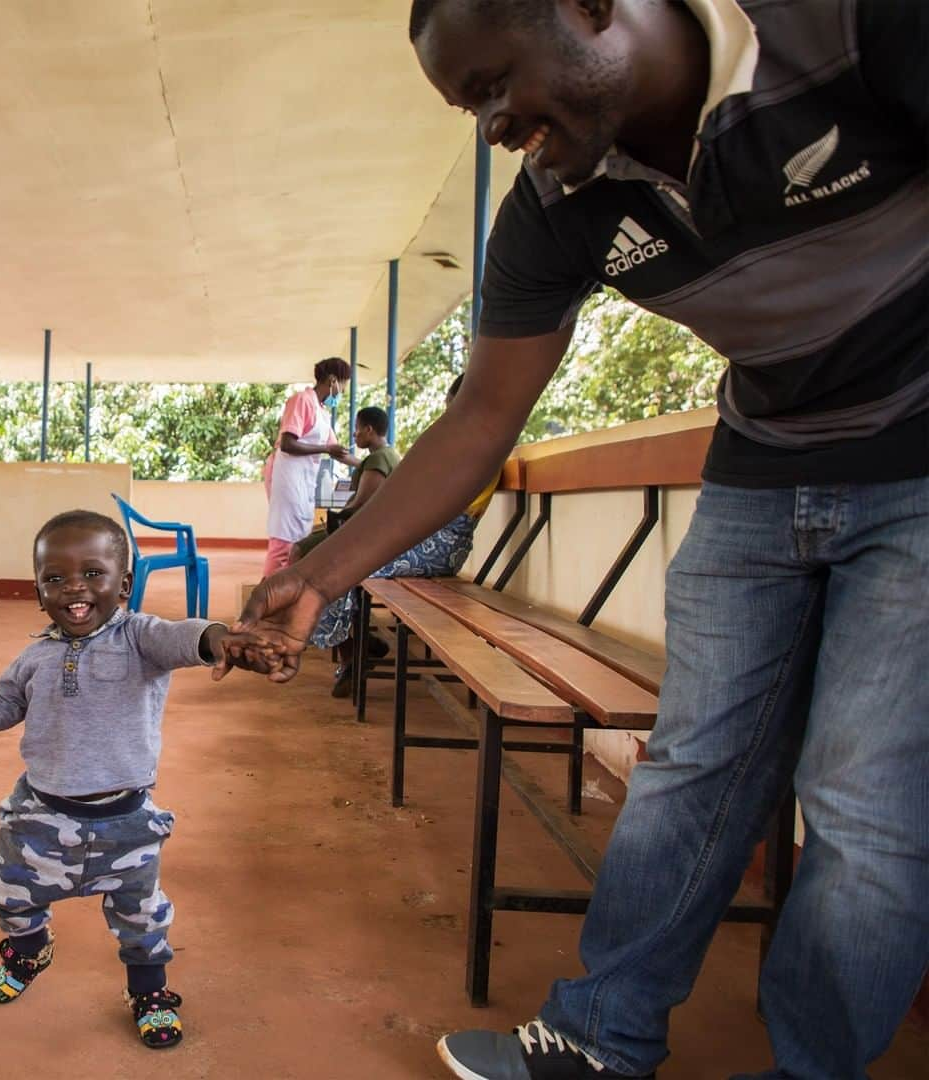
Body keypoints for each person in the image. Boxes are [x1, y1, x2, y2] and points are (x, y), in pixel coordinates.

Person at [230, 2, 929, 1078]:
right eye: (470, 104)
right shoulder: (555, 207)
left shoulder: (840, 26)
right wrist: (321, 577)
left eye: (493, 83)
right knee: (690, 769)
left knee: (862, 798)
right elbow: (478, 420)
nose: (493, 123)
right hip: (760, 466)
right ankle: (599, 1039)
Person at [0, 509, 275, 1049]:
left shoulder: (140, 638)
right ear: (38, 592)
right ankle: (29, 949)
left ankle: (149, 992)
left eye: (92, 573)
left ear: (124, 584)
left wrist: (221, 640)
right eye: (54, 578)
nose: (73, 588)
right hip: (39, 815)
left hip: (126, 821)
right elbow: (0, 709)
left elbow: (185, 637)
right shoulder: (34, 657)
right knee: (12, 895)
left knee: (142, 920)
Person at [312, 376, 499, 697]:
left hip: (440, 544)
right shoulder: (464, 448)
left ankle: (352, 656)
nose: (448, 419)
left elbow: (433, 505)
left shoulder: (480, 449)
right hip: (427, 538)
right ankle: (356, 642)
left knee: (341, 568)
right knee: (341, 559)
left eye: (453, 410)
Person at [263, 356, 351, 578]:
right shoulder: (302, 400)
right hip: (287, 476)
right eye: (343, 385)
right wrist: (324, 450)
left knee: (297, 543)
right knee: (283, 542)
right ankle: (265, 597)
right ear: (332, 380)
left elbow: (337, 450)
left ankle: (283, 594)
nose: (342, 392)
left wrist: (371, 463)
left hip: (302, 482)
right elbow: (288, 443)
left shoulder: (322, 412)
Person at [291, 405, 401, 563]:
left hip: (362, 530)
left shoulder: (377, 459)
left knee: (298, 549)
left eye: (357, 428)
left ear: (369, 429)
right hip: (374, 526)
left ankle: (296, 588)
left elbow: (360, 504)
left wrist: (334, 521)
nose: (354, 434)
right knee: (311, 534)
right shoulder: (390, 455)